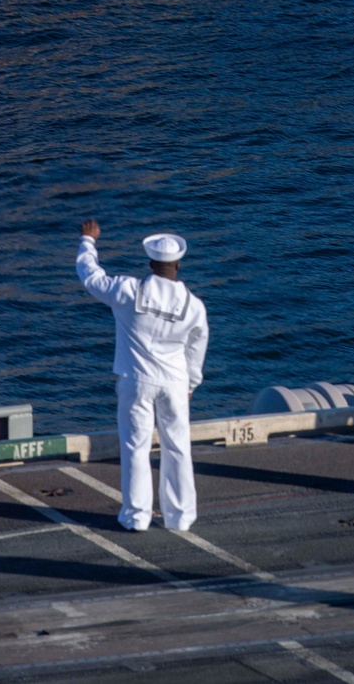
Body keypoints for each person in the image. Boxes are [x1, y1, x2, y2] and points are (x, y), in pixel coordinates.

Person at [76, 220, 208, 531]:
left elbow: (91, 277)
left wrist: (87, 241)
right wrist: (191, 383)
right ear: (177, 264)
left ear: (150, 263)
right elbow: (196, 349)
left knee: (135, 447)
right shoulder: (194, 307)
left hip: (136, 381)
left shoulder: (127, 291)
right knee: (178, 448)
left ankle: (136, 516)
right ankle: (181, 517)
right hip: (175, 384)